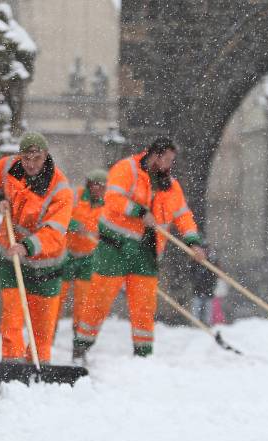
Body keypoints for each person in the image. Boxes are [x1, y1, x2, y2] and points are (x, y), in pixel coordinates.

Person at [74, 137, 204, 360]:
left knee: (144, 307)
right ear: (156, 155)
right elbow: (112, 198)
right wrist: (140, 212)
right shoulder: (127, 169)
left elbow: (183, 216)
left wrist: (193, 242)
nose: (169, 166)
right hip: (113, 247)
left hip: (147, 253)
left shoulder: (171, 187)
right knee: (98, 301)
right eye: (168, 160)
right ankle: (81, 347)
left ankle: (143, 356)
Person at [0, 132, 73, 364]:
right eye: (26, 158)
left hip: (47, 263)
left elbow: (54, 230)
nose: (31, 164)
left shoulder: (60, 189)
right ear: (20, 156)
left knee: (42, 324)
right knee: (12, 316)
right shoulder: (7, 167)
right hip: (11, 257)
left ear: (46, 156)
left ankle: (39, 366)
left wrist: (27, 245)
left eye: (37, 158)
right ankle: (11, 365)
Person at [58, 169, 107, 333]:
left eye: (103, 187)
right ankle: (48, 336)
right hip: (67, 253)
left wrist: (101, 235)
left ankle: (78, 340)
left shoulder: (107, 205)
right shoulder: (75, 196)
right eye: (97, 186)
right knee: (58, 296)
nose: (99, 190)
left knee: (83, 301)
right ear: (89, 184)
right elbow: (61, 215)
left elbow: (108, 229)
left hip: (89, 257)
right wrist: (75, 226)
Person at [190, 244, 218, 325]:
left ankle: (207, 324)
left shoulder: (211, 262)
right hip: (198, 290)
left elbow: (215, 275)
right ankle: (195, 324)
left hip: (208, 290)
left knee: (208, 309)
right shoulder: (195, 262)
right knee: (196, 308)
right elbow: (191, 274)